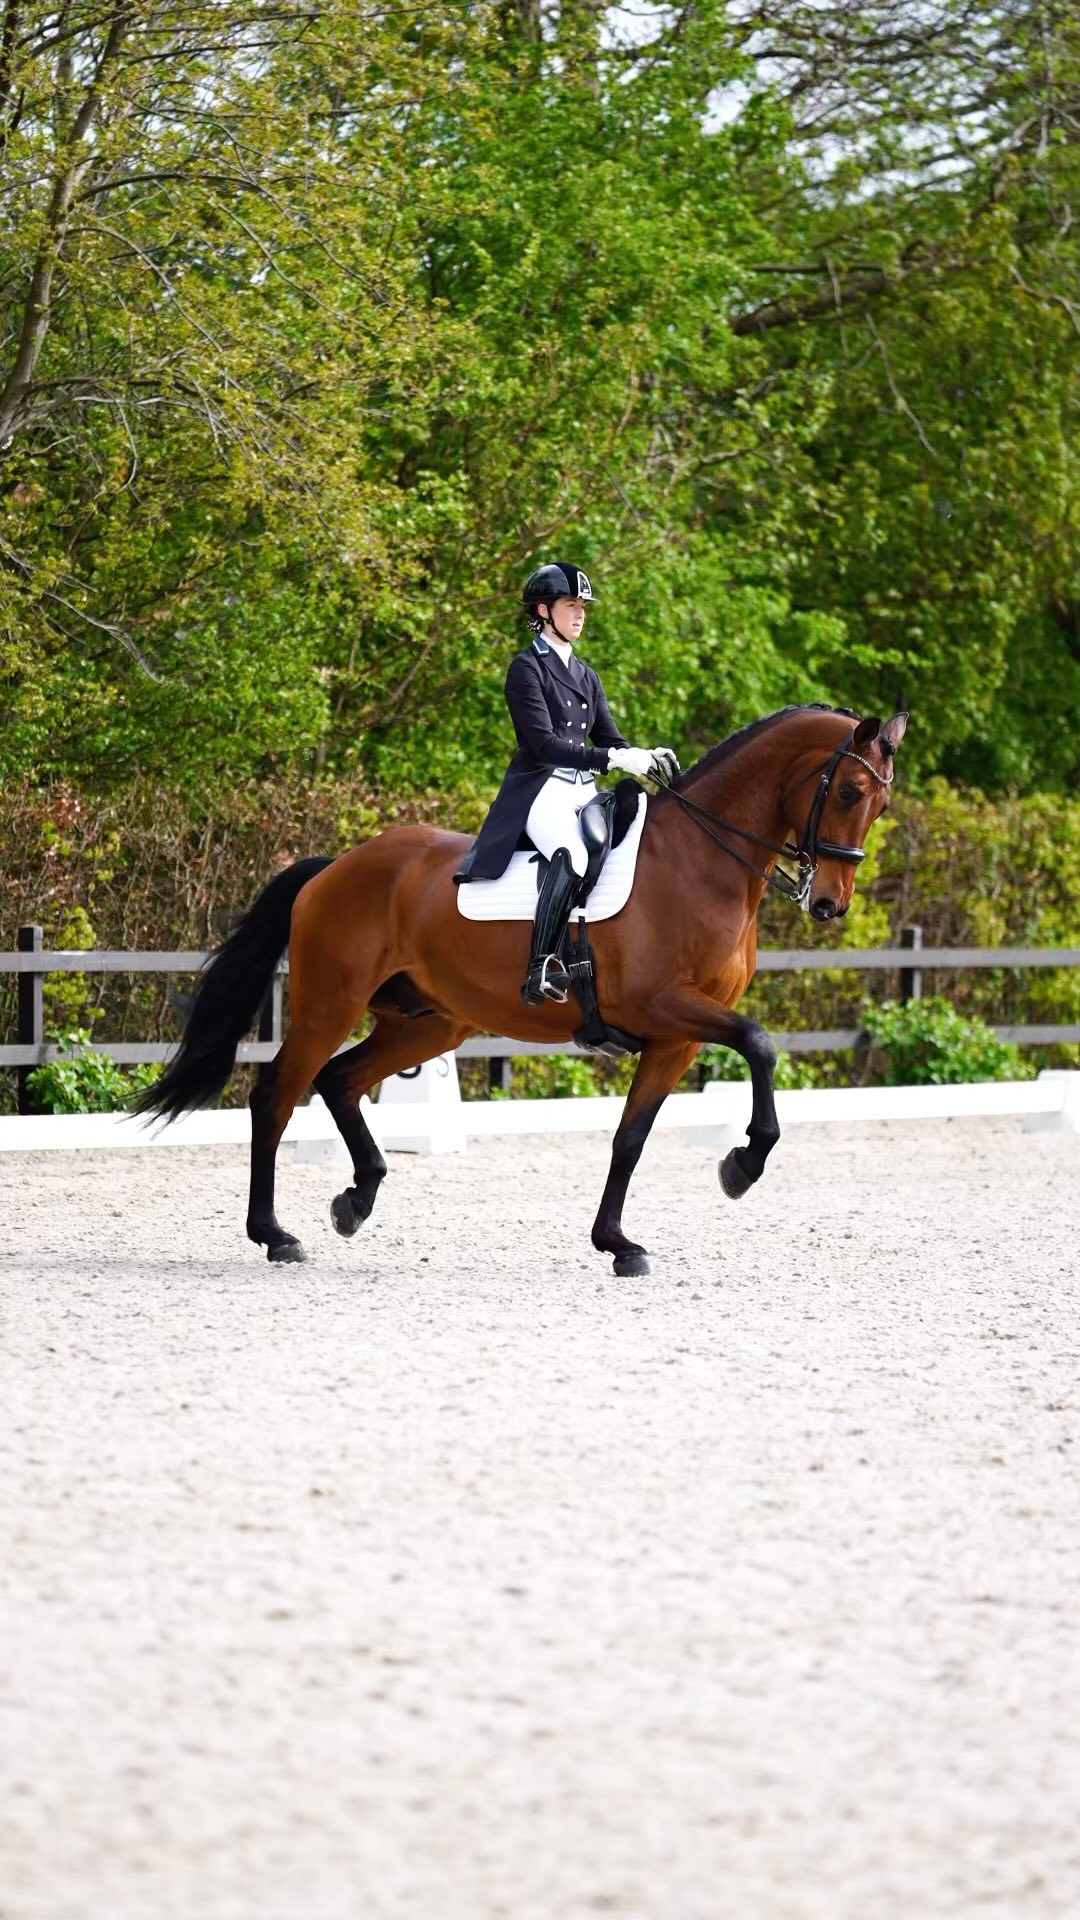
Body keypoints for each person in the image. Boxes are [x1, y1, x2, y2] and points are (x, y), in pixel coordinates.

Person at [459, 562, 679, 1005]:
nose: (579, 615)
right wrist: (613, 758)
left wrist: (644, 755)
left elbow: (610, 739)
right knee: (573, 853)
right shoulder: (526, 669)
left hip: (581, 790)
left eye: (582, 607)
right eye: (570, 606)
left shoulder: (586, 675)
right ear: (543, 610)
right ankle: (539, 966)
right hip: (541, 788)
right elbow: (542, 744)